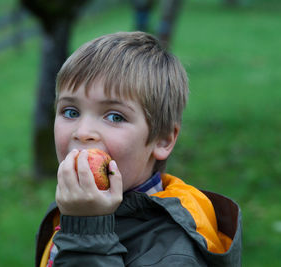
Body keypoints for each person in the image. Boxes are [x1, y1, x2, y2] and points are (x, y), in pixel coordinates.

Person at [35, 31, 242, 266]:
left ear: (162, 140)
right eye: (70, 112)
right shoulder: (73, 206)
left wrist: (87, 232)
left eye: (114, 116)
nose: (83, 132)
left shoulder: (174, 255)